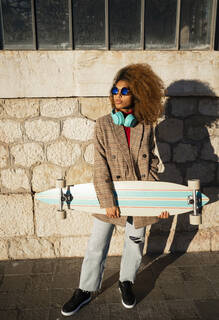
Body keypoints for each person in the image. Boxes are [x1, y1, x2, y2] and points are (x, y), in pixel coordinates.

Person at [61, 63, 169, 316]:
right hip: (110, 196)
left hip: (140, 195)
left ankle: (126, 281)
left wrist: (157, 202)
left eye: (125, 91)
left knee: (135, 241)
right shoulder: (102, 125)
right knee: (97, 243)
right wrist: (108, 200)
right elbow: (100, 167)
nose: (118, 96)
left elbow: (151, 163)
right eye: (115, 90)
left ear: (137, 95)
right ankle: (85, 290)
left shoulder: (145, 125)